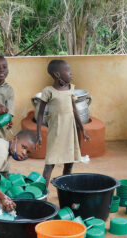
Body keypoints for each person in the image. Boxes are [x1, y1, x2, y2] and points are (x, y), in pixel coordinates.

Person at [36, 59, 90, 187]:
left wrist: (82, 129)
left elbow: (74, 110)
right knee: (50, 163)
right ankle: (43, 192)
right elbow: (40, 113)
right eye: (68, 71)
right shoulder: (48, 91)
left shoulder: (70, 89)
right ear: (57, 75)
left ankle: (66, 189)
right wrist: (38, 134)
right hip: (56, 133)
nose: (71, 73)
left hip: (70, 133)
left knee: (69, 162)